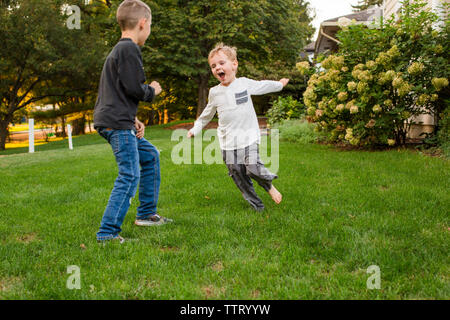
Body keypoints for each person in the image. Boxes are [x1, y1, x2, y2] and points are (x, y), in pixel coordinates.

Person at [93, 0, 172, 243]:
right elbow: (133, 88)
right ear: (143, 23)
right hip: (117, 124)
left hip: (118, 120)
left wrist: (133, 118)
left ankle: (146, 214)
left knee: (149, 156)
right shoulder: (128, 49)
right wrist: (153, 91)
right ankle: (107, 233)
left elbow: (116, 92)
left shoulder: (118, 51)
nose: (149, 31)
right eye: (150, 26)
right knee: (129, 174)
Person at [188, 43, 288, 211]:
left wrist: (279, 84)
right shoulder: (214, 92)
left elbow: (263, 85)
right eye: (213, 66)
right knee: (239, 176)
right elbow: (207, 114)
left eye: (221, 63)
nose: (217, 68)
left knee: (254, 168)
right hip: (228, 143)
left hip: (248, 138)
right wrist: (196, 128)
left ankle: (269, 186)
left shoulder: (244, 83)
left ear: (234, 65)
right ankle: (257, 207)